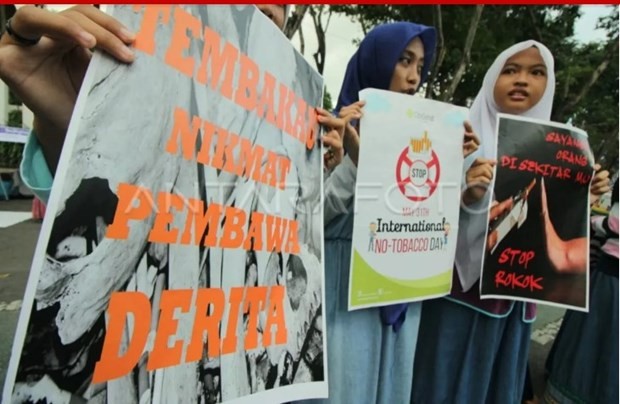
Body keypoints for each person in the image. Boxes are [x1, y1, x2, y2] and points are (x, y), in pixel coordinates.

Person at [411, 40, 610, 404]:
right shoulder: (455, 136)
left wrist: (585, 196)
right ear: (491, 79)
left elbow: (558, 231)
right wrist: (467, 194)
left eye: (536, 73)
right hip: (454, 295)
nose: (522, 80)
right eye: (510, 69)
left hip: (515, 300)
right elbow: (420, 213)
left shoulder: (562, 151)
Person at [313, 21, 477, 403]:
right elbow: (314, 220)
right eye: (404, 61)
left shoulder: (421, 147)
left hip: (400, 296)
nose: (413, 77)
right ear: (376, 61)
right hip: (346, 295)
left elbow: (423, 221)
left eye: (420, 66)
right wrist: (356, 160)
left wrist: (453, 170)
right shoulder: (331, 129)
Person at [543, 178, 618, 404]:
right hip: (607, 273)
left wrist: (596, 220)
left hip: (610, 279)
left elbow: (614, 222)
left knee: (596, 342)